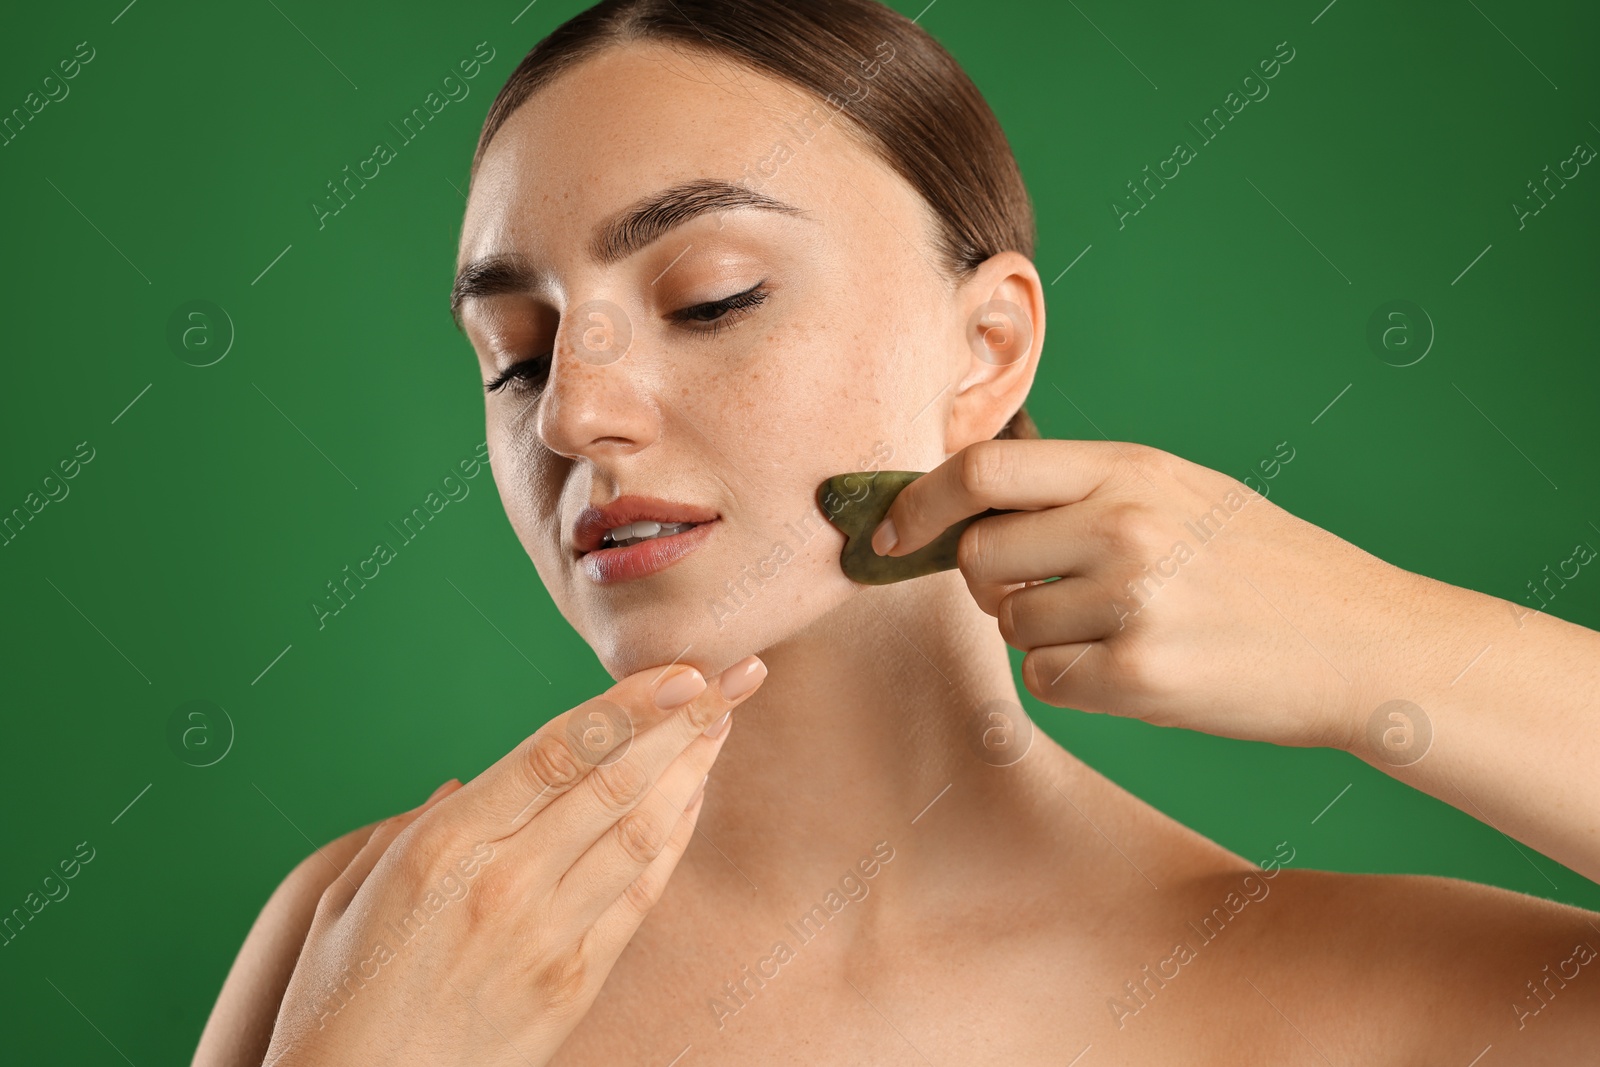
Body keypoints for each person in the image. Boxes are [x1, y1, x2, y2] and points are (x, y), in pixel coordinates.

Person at [194, 1, 1600, 1063]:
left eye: (714, 295)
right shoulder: (373, 932)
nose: (573, 414)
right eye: (514, 350)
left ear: (988, 346)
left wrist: (1396, 650)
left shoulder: (1380, 1003)